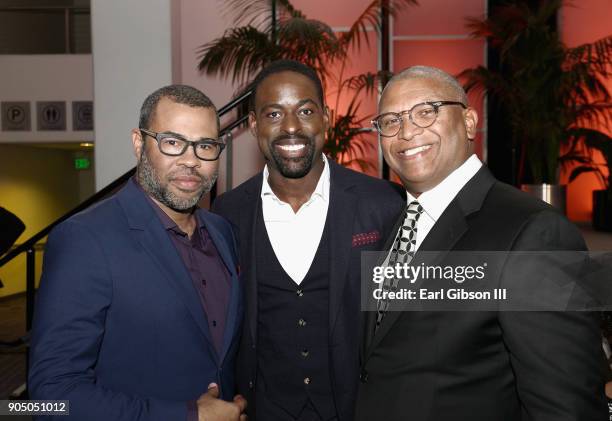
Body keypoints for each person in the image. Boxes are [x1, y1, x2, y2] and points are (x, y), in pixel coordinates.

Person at [356, 66, 607, 420]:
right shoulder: (399, 220)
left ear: (470, 122)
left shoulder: (538, 232)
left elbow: (567, 406)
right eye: (391, 121)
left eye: (426, 112)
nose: (407, 131)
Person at [29, 85, 247, 421]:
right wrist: (189, 416)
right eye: (172, 142)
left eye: (205, 146)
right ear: (138, 143)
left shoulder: (222, 232)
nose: (191, 161)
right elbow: (51, 397)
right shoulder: (85, 239)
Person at [212, 60, 405, 420]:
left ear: (325, 118)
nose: (290, 127)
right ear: (254, 125)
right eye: (273, 114)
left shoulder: (384, 204)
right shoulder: (226, 214)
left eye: (304, 111)